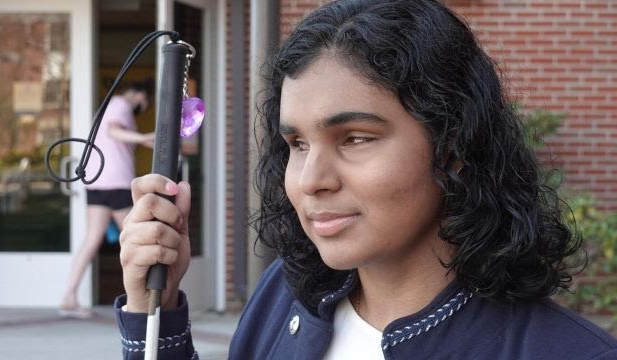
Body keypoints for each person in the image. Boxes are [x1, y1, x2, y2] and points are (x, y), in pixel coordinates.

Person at [114, 0, 617, 358]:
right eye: (297, 144)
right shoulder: (286, 296)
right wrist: (154, 313)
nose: (311, 181)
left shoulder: (565, 351)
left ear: (454, 146)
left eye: (355, 138)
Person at [59, 81, 155, 318]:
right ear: (141, 96)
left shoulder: (109, 105)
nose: (143, 106)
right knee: (136, 241)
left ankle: (69, 296)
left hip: (96, 181)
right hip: (116, 181)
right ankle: (146, 301)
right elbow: (113, 130)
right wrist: (141, 137)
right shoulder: (121, 104)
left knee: (92, 239)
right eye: (145, 102)